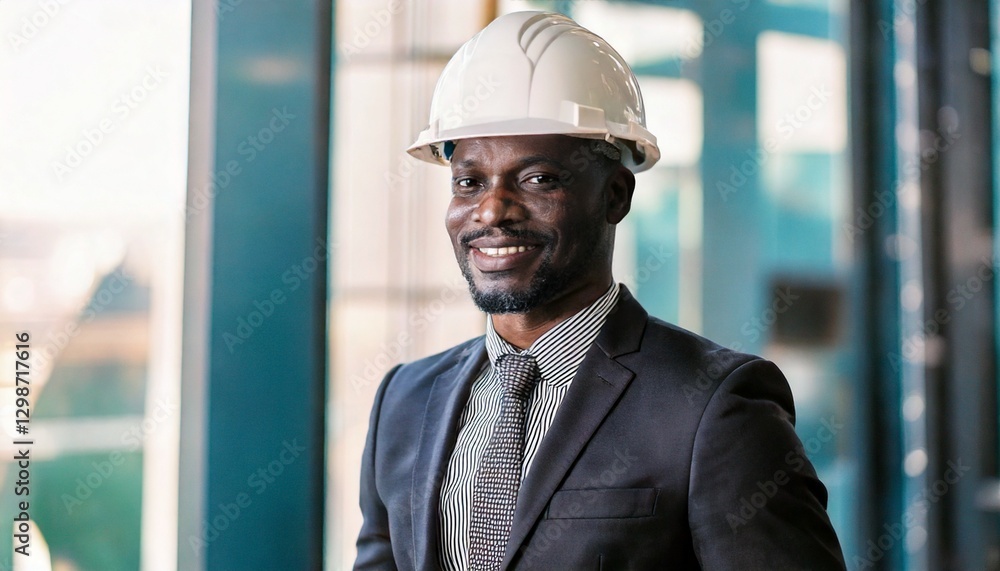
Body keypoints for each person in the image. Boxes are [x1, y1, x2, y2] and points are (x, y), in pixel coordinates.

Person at [354, 10, 846, 571]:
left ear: (615, 196)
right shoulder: (405, 400)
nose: (491, 210)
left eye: (538, 178)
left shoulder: (714, 406)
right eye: (469, 182)